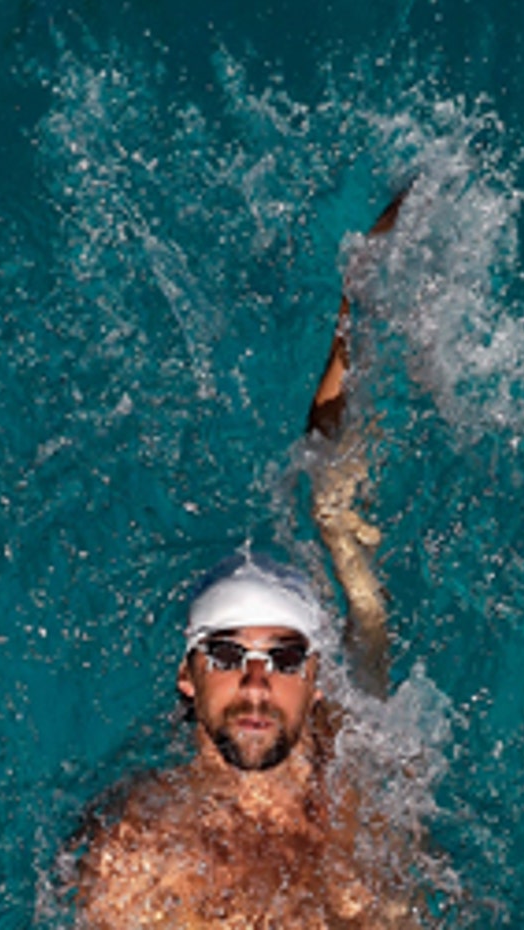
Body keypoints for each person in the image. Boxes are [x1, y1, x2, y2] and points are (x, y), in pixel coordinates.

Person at [72, 195, 418, 929]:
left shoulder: (359, 769)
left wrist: (357, 308)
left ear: (316, 679)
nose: (257, 683)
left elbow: (365, 607)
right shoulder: (137, 847)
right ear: (187, 675)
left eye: (285, 657)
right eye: (228, 654)